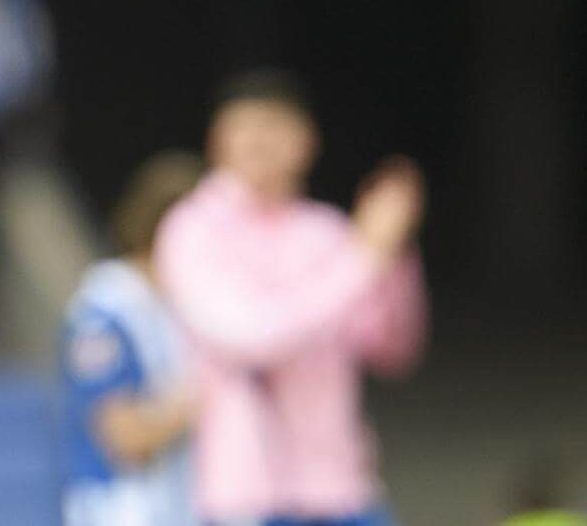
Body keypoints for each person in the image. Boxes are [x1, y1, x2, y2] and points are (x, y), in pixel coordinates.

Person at [154, 71, 427, 526]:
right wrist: (365, 257)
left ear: (306, 139)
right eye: (244, 127)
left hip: (342, 489)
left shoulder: (326, 230)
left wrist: (396, 253)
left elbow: (392, 349)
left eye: (273, 126)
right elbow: (250, 336)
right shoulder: (193, 229)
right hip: (244, 496)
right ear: (216, 140)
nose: (259, 141)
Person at [62, 150, 202, 526]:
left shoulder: (189, 305)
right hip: (124, 510)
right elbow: (123, 436)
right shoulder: (108, 309)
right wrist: (211, 396)